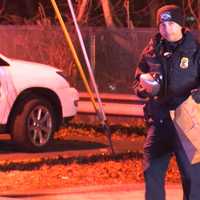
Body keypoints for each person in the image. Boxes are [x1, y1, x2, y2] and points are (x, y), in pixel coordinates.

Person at [133, 4, 200, 200]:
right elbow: (137, 80)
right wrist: (144, 87)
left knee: (193, 179)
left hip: (188, 124)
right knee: (151, 171)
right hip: (160, 121)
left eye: (171, 23)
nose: (167, 28)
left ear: (180, 25)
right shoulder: (151, 51)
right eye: (162, 24)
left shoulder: (196, 50)